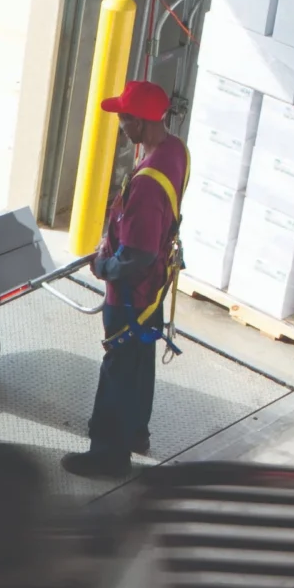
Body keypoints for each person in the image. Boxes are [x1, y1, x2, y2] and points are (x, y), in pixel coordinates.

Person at [62, 80, 188, 481]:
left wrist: (103, 267)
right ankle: (135, 434)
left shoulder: (147, 185)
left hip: (132, 295)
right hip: (154, 289)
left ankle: (107, 456)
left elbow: (137, 256)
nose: (119, 123)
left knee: (117, 367)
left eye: (124, 117)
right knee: (139, 362)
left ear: (142, 122)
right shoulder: (175, 150)